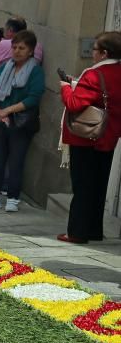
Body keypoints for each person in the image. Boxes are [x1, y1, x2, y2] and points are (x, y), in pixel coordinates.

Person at [58, 31, 121, 243]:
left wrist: (66, 88)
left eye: (94, 50)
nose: (91, 54)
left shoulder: (95, 75)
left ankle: (77, 232)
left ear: (104, 53)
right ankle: (94, 229)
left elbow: (75, 103)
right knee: (99, 184)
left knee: (83, 185)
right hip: (109, 136)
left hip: (86, 138)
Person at [0, 30, 44, 212]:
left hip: (20, 123)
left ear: (31, 50)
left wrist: (8, 110)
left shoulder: (35, 71)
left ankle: (13, 197)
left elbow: (34, 97)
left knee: (16, 160)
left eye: (22, 48)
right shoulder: (5, 68)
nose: (17, 51)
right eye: (14, 47)